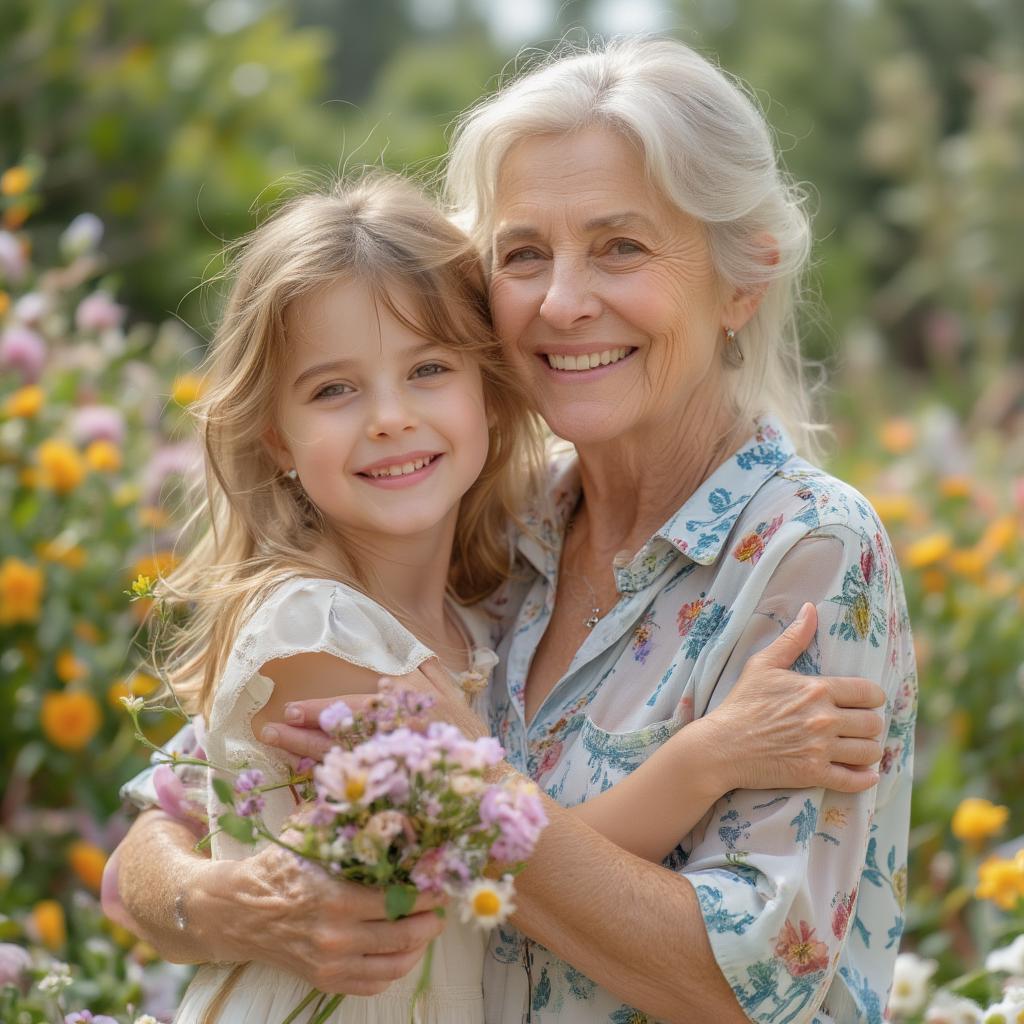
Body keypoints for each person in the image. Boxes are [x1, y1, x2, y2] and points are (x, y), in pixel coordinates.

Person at [109, 37, 915, 1023]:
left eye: (620, 246)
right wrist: (235, 903)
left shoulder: (806, 550)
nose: (564, 301)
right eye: (524, 253)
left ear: (741, 280)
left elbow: (743, 983)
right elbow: (163, 832)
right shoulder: (482, 521)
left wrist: (455, 773)